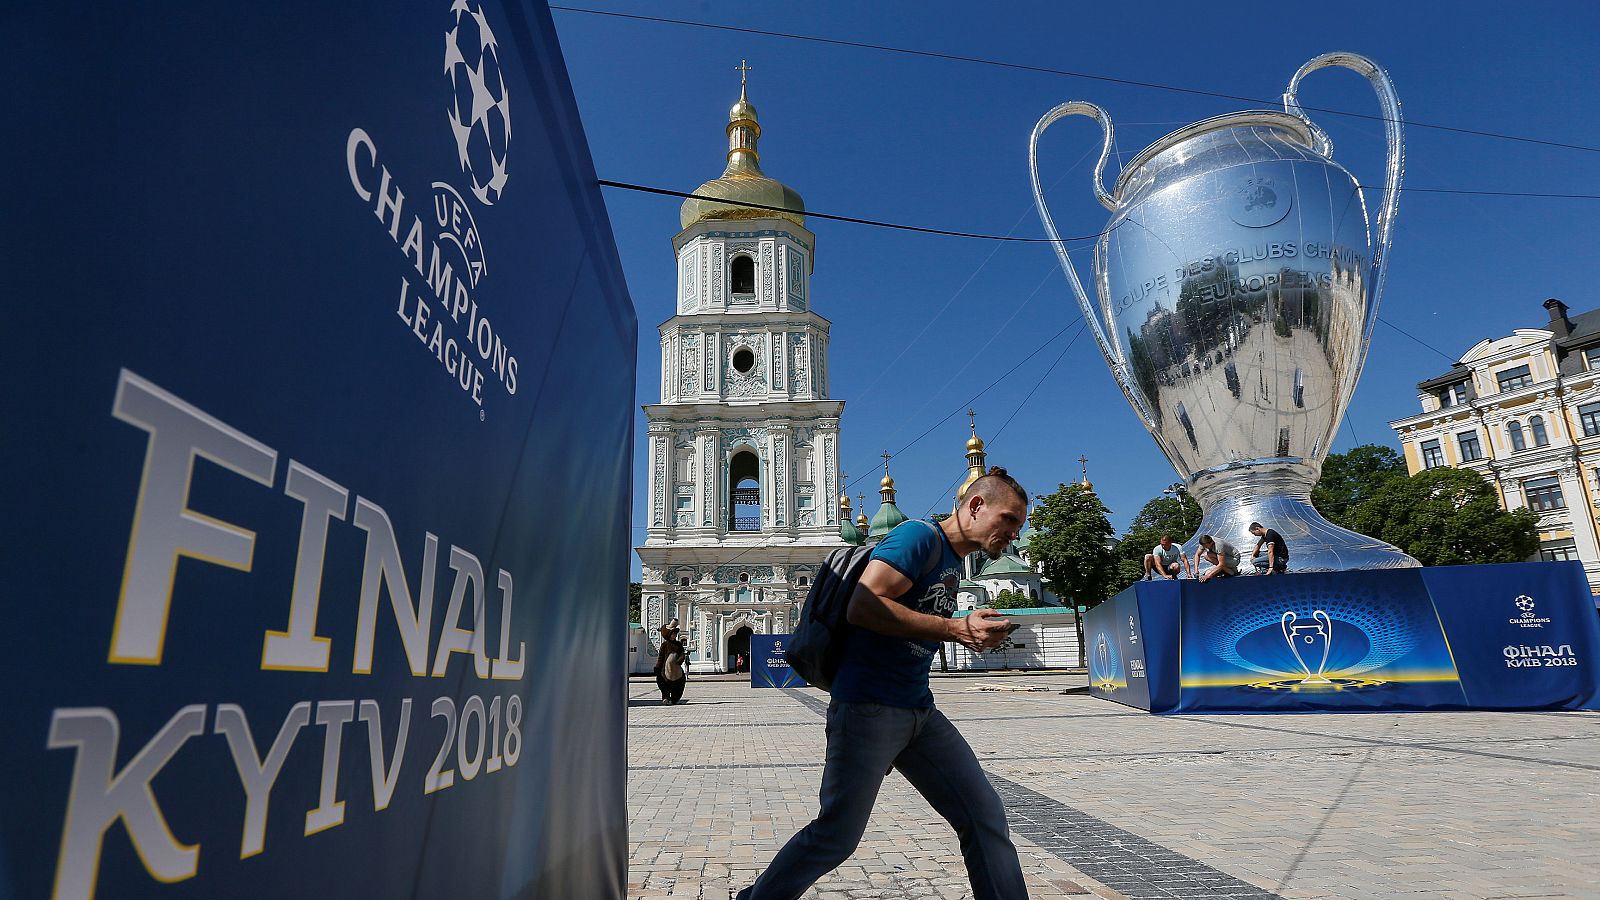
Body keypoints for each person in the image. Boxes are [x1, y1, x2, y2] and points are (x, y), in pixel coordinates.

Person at [737, 468, 1031, 900]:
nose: (1012, 533)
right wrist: (953, 628)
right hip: (868, 709)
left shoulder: (953, 560)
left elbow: (925, 624)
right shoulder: (918, 537)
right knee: (836, 836)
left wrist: (969, 633)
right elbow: (863, 604)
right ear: (975, 505)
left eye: (1018, 526)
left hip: (919, 711)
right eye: (1008, 519)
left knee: (984, 815)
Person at [654, 621, 687, 705]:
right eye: (672, 634)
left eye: (675, 634)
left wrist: (680, 660)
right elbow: (661, 657)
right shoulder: (664, 645)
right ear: (668, 634)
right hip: (665, 670)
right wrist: (658, 667)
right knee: (664, 684)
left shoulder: (678, 645)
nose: (674, 636)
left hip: (676, 670)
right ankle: (666, 697)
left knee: (680, 684)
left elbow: (682, 654)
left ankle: (674, 699)